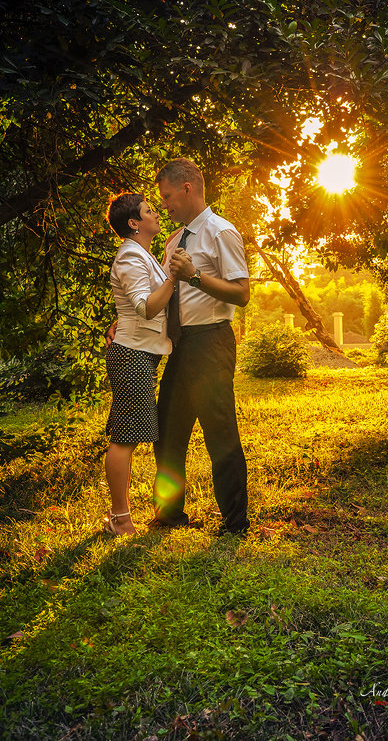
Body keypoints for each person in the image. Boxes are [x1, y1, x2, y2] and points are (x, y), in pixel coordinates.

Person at [107, 158, 251, 534]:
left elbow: (242, 293)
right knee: (168, 432)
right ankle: (169, 515)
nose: (165, 205)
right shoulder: (173, 240)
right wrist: (124, 320)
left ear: (187, 189)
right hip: (179, 345)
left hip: (211, 342)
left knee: (220, 432)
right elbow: (160, 295)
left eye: (167, 196)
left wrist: (196, 276)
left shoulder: (221, 232)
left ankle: (235, 523)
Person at [103, 192, 178, 535]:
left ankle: (120, 516)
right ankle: (120, 518)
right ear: (134, 223)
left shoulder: (141, 254)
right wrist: (175, 277)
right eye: (149, 211)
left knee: (128, 434)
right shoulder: (130, 257)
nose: (157, 213)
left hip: (139, 351)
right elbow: (145, 306)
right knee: (124, 438)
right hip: (131, 353)